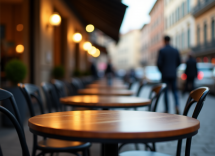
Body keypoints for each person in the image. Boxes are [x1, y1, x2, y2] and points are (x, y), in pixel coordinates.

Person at [157, 36, 181, 114]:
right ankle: (177, 105)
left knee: (166, 92)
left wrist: (162, 71)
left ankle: (167, 109)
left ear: (164, 40)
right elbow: (179, 62)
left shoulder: (162, 50)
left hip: (165, 74)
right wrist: (173, 68)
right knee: (175, 91)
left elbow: (159, 63)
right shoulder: (175, 50)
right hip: (173, 73)